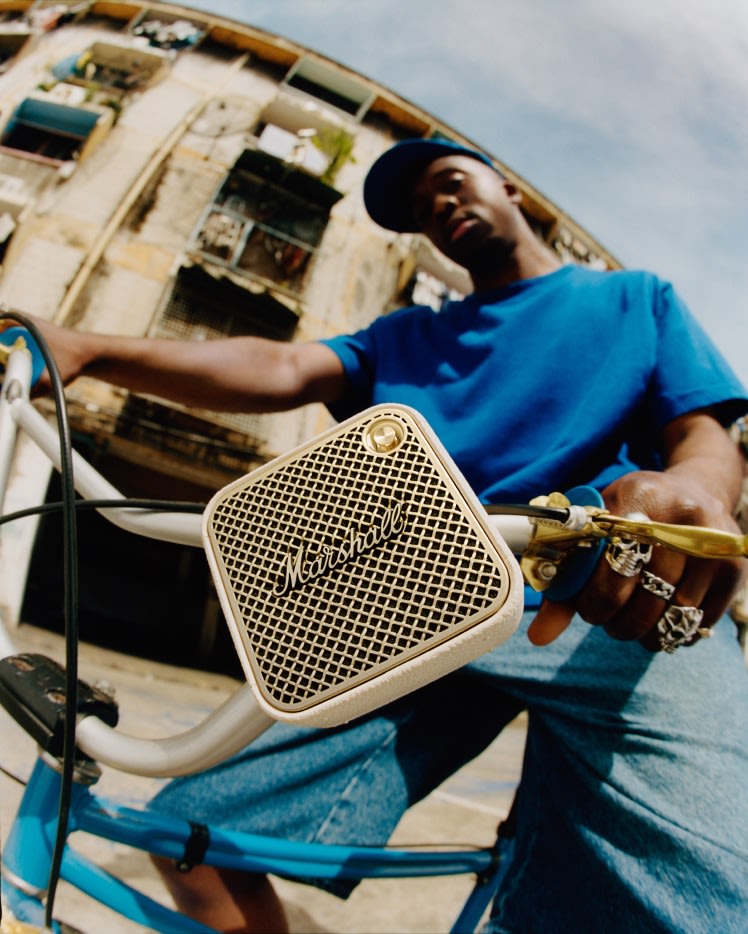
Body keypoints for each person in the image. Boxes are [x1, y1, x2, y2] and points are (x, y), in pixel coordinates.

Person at [14, 139, 748, 933]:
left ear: (506, 185)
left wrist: (693, 493)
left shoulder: (636, 300)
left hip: (604, 591)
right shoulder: (402, 337)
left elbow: (701, 436)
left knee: (697, 892)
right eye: (422, 209)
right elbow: (280, 367)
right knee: (192, 834)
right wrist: (89, 349)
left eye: (451, 183)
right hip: (424, 592)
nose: (439, 206)